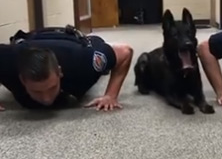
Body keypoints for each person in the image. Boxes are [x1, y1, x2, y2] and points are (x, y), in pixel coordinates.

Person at [0, 26, 133, 111]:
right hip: (30, 38)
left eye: (51, 88)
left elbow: (125, 52)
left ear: (60, 72)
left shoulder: (82, 63)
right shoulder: (7, 64)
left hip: (70, 42)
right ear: (22, 80)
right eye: (37, 92)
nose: (46, 99)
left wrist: (110, 95)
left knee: (97, 44)